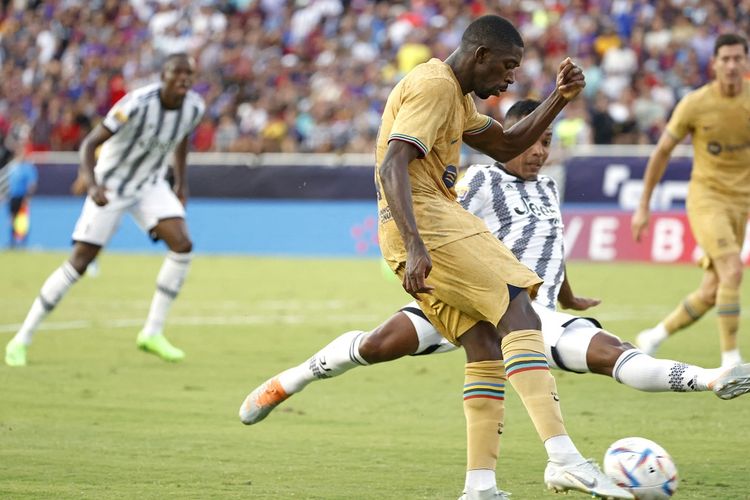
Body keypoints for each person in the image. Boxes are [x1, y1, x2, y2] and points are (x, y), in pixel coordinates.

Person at [245, 16, 631, 500]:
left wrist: (559, 99)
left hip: (424, 224)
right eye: (507, 66)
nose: (510, 78)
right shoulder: (433, 87)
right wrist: (416, 243)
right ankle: (564, 458)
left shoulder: (458, 97)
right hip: (428, 219)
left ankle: (480, 487)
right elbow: (392, 164)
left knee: (486, 344)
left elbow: (508, 143)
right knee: (518, 308)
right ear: (479, 55)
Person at [240, 99, 750, 422]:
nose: (538, 151)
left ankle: (709, 378)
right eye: (530, 140)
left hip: (533, 311)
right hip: (468, 300)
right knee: (377, 345)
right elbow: (440, 219)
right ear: (509, 137)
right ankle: (291, 379)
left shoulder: (550, 187)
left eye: (546, 141)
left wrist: (568, 293)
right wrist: (415, 253)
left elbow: (549, 243)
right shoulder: (481, 180)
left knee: (611, 353)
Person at [5, 53, 205, 367]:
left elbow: (181, 139)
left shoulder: (194, 107)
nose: (183, 79)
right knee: (80, 263)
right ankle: (22, 338)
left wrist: (181, 182)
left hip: (150, 185)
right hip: (111, 186)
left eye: (188, 74)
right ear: (163, 76)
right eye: (177, 73)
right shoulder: (136, 104)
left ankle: (152, 332)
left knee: (183, 246)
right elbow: (89, 144)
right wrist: (93, 182)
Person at [631, 34, 750, 369]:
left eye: (737, 58)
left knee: (714, 290)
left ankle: (654, 335)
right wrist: (644, 206)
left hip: (741, 205)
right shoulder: (695, 104)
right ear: (713, 63)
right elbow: (662, 153)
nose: (730, 65)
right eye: (724, 58)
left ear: (745, 62)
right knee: (732, 269)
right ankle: (731, 361)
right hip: (707, 199)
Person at [6, 145, 38, 247]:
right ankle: (12, 242)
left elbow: (32, 184)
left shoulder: (28, 168)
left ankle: (23, 243)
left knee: (22, 220)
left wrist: (28, 196)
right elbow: (10, 183)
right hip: (13, 196)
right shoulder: (13, 167)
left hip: (22, 196)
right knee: (12, 219)